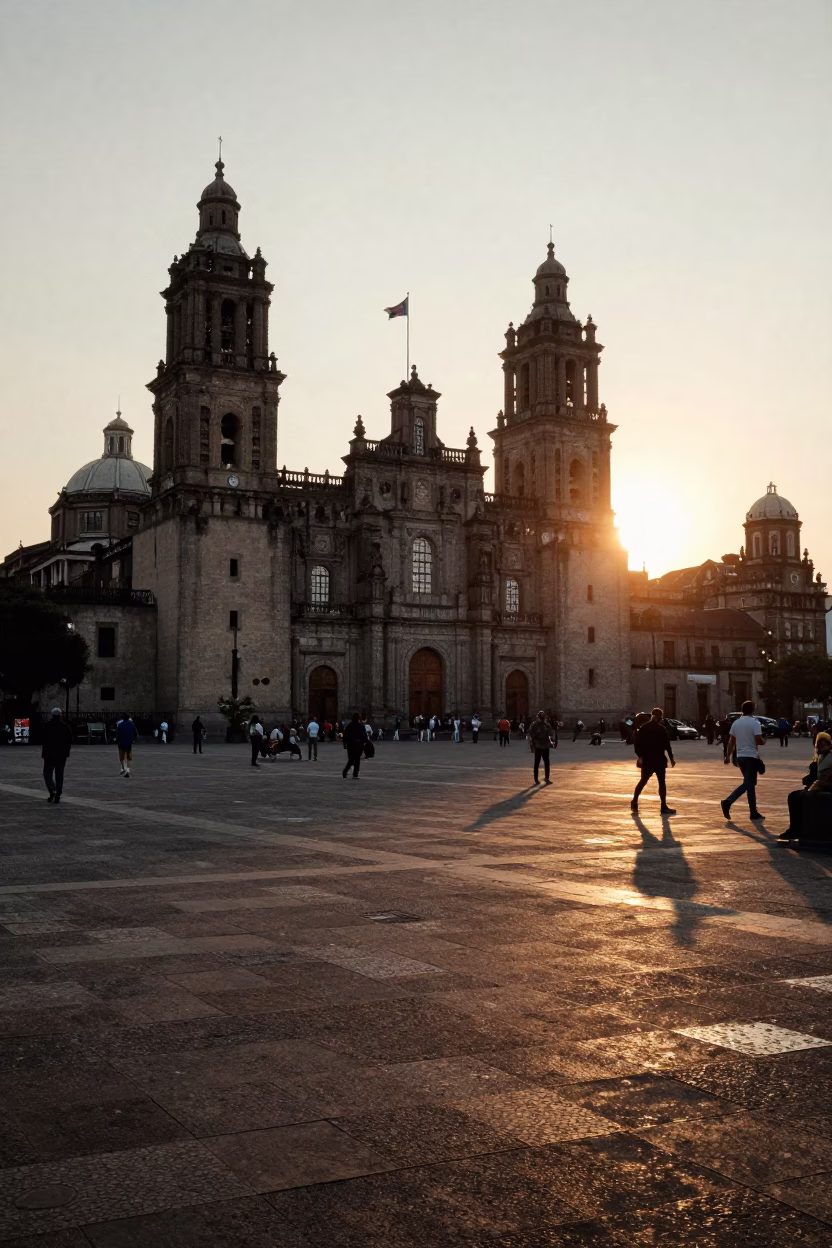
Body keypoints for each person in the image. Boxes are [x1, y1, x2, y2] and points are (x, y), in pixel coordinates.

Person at [779, 731, 832, 843]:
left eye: (822, 745)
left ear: (829, 744)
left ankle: (797, 829)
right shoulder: (821, 756)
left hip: (826, 787)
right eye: (818, 745)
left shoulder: (829, 756)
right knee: (793, 796)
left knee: (797, 797)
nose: (819, 747)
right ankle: (796, 828)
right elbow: (814, 774)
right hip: (818, 786)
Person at [721, 700, 765, 821]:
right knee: (749, 783)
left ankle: (753, 812)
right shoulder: (755, 722)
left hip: (740, 757)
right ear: (753, 710)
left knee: (750, 784)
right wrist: (764, 741)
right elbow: (758, 739)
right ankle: (728, 801)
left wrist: (728, 756)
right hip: (751, 756)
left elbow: (731, 741)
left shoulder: (736, 723)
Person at [631, 707, 676, 815]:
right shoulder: (661, 729)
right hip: (658, 760)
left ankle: (634, 801)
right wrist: (671, 759)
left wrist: (640, 756)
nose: (660, 719)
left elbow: (637, 744)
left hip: (648, 759)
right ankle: (663, 807)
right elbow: (667, 746)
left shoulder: (643, 728)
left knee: (643, 781)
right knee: (661, 783)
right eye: (660, 717)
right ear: (657, 717)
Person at [42, 707, 72, 803]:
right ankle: (58, 791)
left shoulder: (48, 725)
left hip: (49, 754)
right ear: (60, 715)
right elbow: (69, 741)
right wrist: (66, 752)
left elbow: (43, 739)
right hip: (61, 754)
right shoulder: (65, 726)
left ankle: (52, 789)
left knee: (47, 774)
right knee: (59, 774)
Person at [529, 711, 555, 784]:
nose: (542, 719)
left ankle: (546, 778)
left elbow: (551, 732)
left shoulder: (546, 724)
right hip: (538, 745)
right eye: (541, 717)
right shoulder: (535, 725)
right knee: (537, 762)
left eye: (542, 717)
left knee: (546, 762)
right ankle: (536, 779)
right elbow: (531, 733)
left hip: (544, 745)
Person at [342, 712, 366, 778]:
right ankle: (355, 774)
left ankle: (345, 771)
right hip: (358, 744)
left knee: (351, 759)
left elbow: (345, 735)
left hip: (350, 745)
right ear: (359, 718)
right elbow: (364, 736)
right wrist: (366, 742)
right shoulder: (361, 726)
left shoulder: (349, 726)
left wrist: (345, 743)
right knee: (357, 760)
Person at [115, 713, 139, 778]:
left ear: (122, 718)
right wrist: (134, 740)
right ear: (128, 718)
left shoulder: (119, 725)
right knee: (129, 757)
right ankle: (128, 770)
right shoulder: (132, 724)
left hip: (121, 743)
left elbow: (117, 734)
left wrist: (117, 740)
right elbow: (136, 733)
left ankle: (124, 768)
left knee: (122, 757)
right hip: (129, 742)